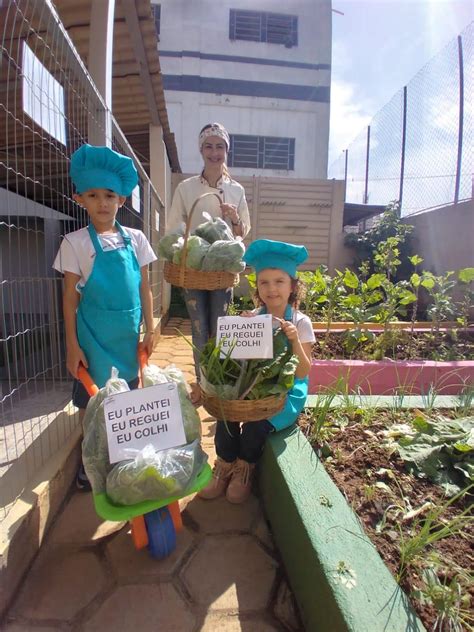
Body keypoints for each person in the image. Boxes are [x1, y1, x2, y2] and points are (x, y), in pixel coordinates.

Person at [53, 144, 157, 490]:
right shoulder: (75, 243)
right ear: (79, 198)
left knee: (126, 400)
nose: (102, 203)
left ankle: (123, 460)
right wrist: (71, 346)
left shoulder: (137, 240)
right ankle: (91, 462)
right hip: (93, 338)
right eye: (93, 195)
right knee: (92, 404)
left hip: (127, 337)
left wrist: (152, 328)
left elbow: (145, 289)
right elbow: (69, 299)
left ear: (122, 201)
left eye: (110, 195)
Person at [199, 239, 315, 504]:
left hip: (284, 393)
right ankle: (224, 464)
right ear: (257, 287)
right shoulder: (253, 316)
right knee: (226, 414)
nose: (271, 289)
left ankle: (244, 469)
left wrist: (295, 339)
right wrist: (240, 329)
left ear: (293, 286)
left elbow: (302, 372)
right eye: (264, 282)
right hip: (253, 386)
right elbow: (238, 361)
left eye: (279, 281)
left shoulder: (301, 322)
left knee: (254, 427)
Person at [167, 123, 251, 401]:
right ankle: (203, 384)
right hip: (194, 269)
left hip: (222, 271)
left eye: (220, 146)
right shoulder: (186, 187)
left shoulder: (235, 190)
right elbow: (175, 226)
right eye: (208, 146)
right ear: (201, 150)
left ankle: (219, 381)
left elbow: (242, 233)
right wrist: (187, 248)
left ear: (227, 150)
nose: (214, 152)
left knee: (221, 326)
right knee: (199, 325)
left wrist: (234, 217)